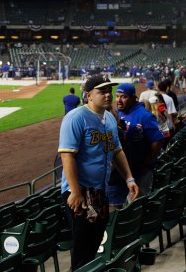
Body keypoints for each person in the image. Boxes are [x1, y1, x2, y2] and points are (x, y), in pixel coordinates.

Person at [58, 74, 139, 271]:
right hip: (80, 194)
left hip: (100, 191)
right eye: (101, 91)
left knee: (94, 245)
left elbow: (117, 150)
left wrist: (129, 178)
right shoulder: (75, 118)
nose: (108, 95)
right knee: (82, 250)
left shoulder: (110, 118)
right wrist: (75, 192)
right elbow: (67, 156)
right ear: (88, 96)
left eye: (108, 91)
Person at [106, 83, 164, 210]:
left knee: (138, 207)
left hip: (141, 171)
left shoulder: (144, 115)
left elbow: (158, 140)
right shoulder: (117, 114)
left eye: (124, 97)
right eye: (117, 96)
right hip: (124, 171)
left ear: (133, 98)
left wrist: (146, 163)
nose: (119, 101)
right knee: (121, 207)